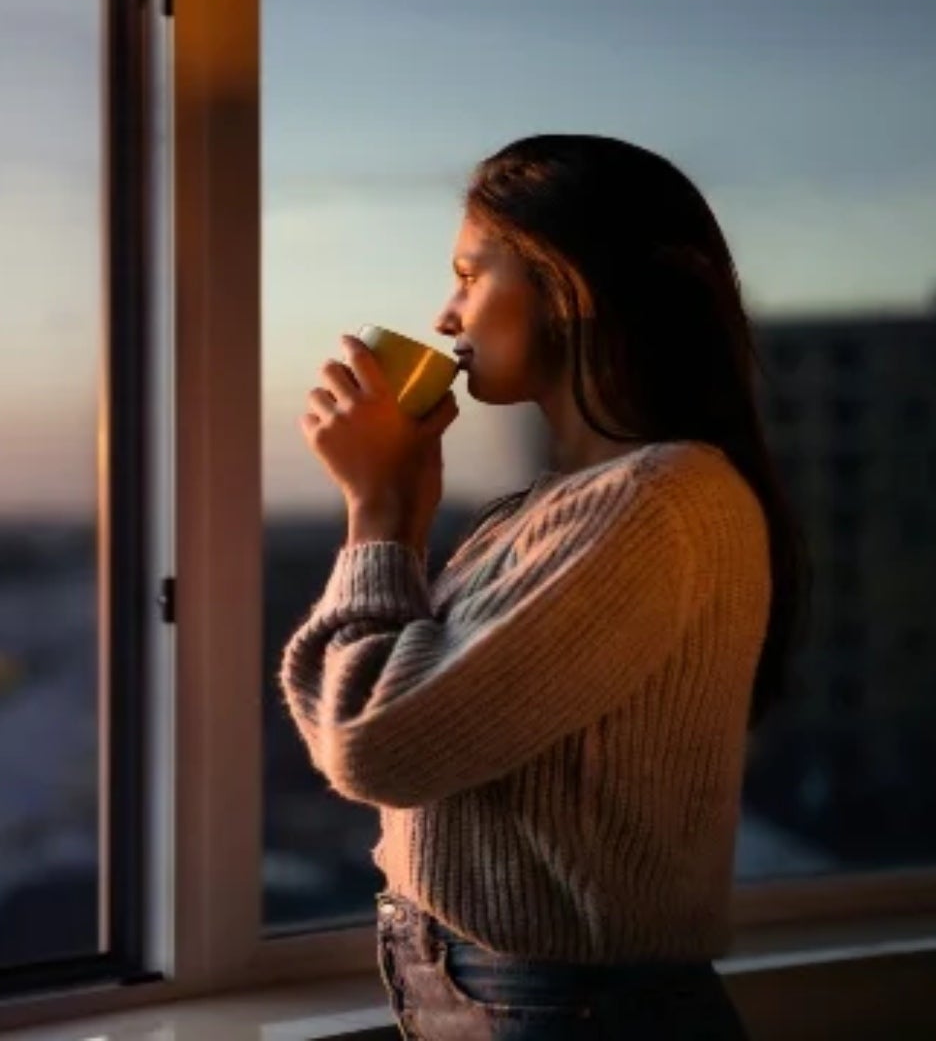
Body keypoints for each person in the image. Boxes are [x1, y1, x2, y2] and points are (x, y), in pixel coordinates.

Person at [279, 134, 809, 1040]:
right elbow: (393, 718)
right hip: (527, 997)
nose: (446, 314)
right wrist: (404, 511)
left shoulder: (655, 502)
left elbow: (373, 745)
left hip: (570, 1008)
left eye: (468, 275)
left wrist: (375, 513)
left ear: (569, 285)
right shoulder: (562, 507)